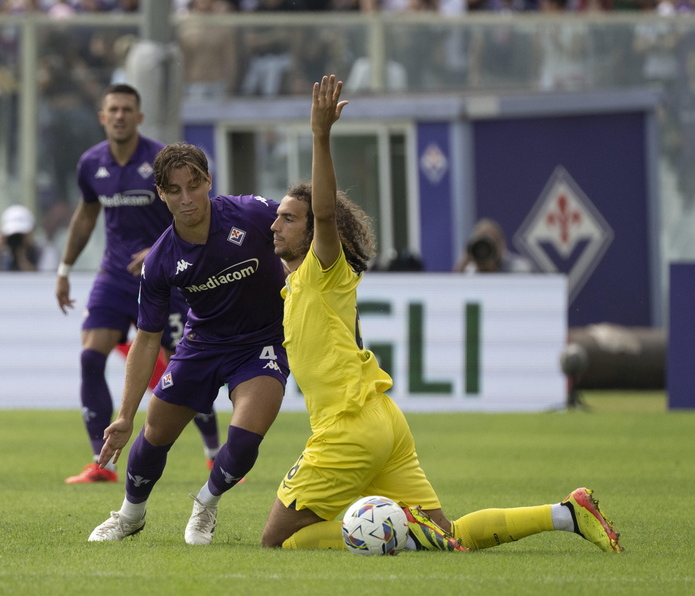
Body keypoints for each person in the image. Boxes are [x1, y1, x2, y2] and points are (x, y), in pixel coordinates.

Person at [260, 74, 623, 554]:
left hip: (347, 428)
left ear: (311, 231)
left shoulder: (322, 267)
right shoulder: (298, 284)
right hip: (382, 421)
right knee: (449, 538)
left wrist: (320, 136)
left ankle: (403, 535)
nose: (276, 223)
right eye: (278, 215)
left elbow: (324, 214)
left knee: (277, 541)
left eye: (288, 217)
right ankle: (567, 513)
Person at [86, 142, 289, 546]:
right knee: (153, 434)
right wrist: (125, 414)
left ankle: (206, 504)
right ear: (161, 193)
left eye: (194, 186)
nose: (187, 198)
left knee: (245, 439)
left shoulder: (251, 213)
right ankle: (130, 515)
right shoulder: (160, 259)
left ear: (208, 181)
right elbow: (146, 340)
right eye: (174, 190)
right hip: (203, 344)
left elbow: (304, 225)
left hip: (262, 341)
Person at [55, 84, 222, 484]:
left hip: (167, 273)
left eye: (127, 109)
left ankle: (215, 454)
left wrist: (157, 250)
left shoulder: (160, 160)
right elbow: (85, 216)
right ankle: (102, 462)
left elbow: (191, 212)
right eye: (112, 109)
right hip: (114, 276)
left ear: (139, 117)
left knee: (186, 367)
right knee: (90, 357)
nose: (119, 115)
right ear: (102, 116)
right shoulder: (90, 163)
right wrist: (64, 269)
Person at [453, 218, 536, 273]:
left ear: (502, 243)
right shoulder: (469, 270)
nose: (485, 249)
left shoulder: (519, 268)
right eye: (482, 242)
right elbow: (454, 292)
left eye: (492, 241)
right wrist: (464, 263)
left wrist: (492, 269)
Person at [0, 204, 42, 272]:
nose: (16, 238)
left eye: (21, 234)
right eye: (12, 234)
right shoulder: (4, 253)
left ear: (31, 232)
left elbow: (37, 280)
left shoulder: (43, 252)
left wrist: (21, 255)